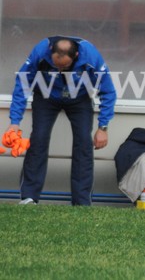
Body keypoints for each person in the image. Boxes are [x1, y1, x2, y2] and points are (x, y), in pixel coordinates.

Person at [7, 36, 116, 206]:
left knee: (84, 143)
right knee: (38, 139)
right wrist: (14, 122)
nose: (59, 70)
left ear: (77, 56)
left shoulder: (91, 56)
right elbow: (22, 84)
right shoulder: (40, 51)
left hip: (80, 98)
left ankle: (82, 202)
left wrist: (103, 127)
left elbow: (108, 91)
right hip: (46, 96)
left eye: (64, 66)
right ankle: (29, 198)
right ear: (51, 52)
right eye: (55, 65)